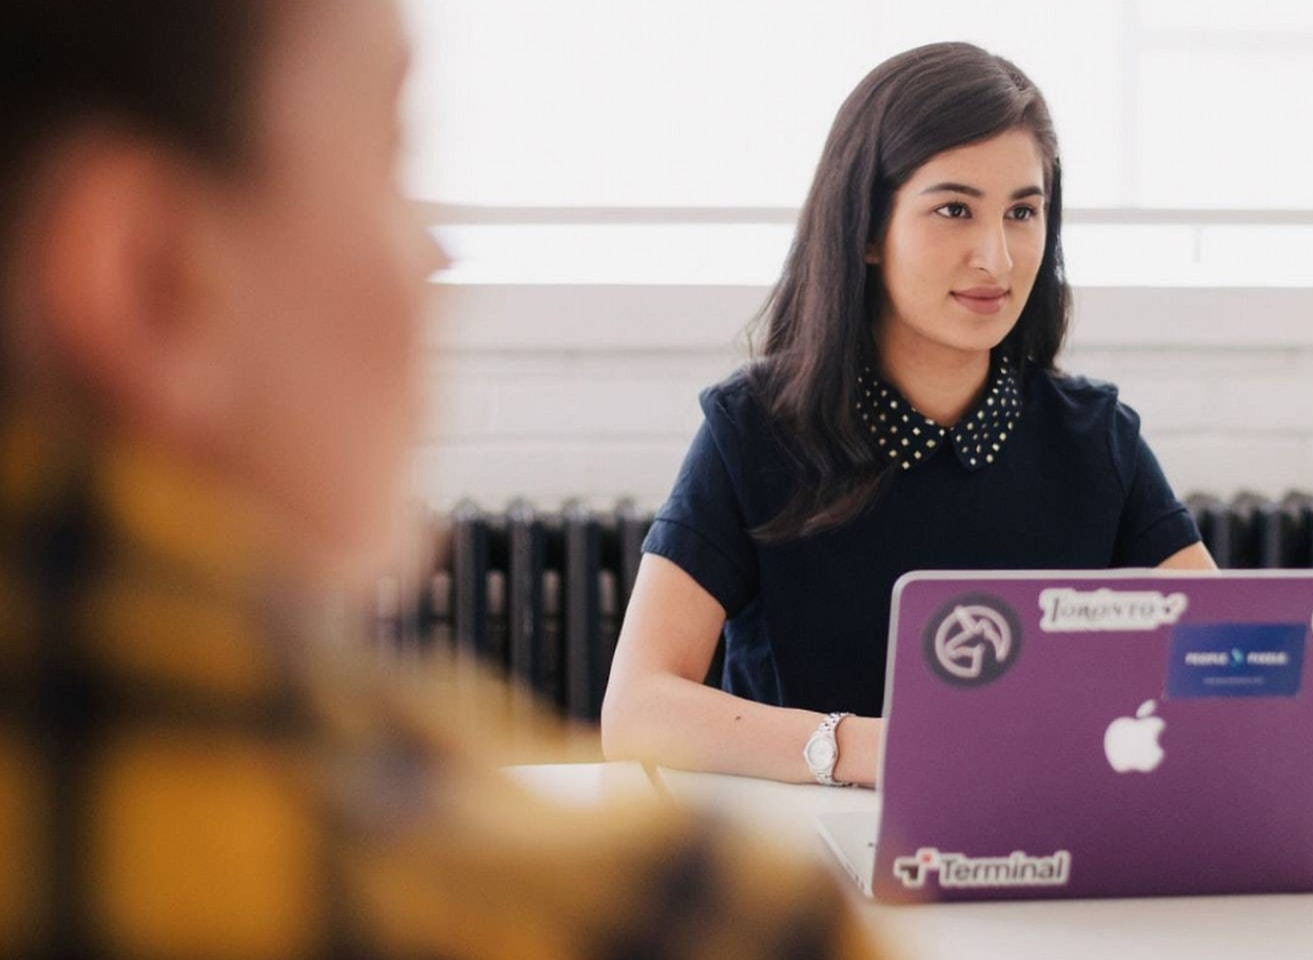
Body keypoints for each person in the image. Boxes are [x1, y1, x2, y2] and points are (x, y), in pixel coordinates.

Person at [0, 1, 880, 956]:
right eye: (391, 152)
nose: (431, 253)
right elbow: (640, 706)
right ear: (152, 279)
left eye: (1026, 207)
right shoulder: (696, 921)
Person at [601, 42, 1213, 787]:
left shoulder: (1096, 439)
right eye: (954, 209)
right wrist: (874, 751)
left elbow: (1226, 659)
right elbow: (635, 708)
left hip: (1039, 847)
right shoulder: (755, 430)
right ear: (865, 231)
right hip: (811, 861)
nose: (997, 257)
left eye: (1023, 211)